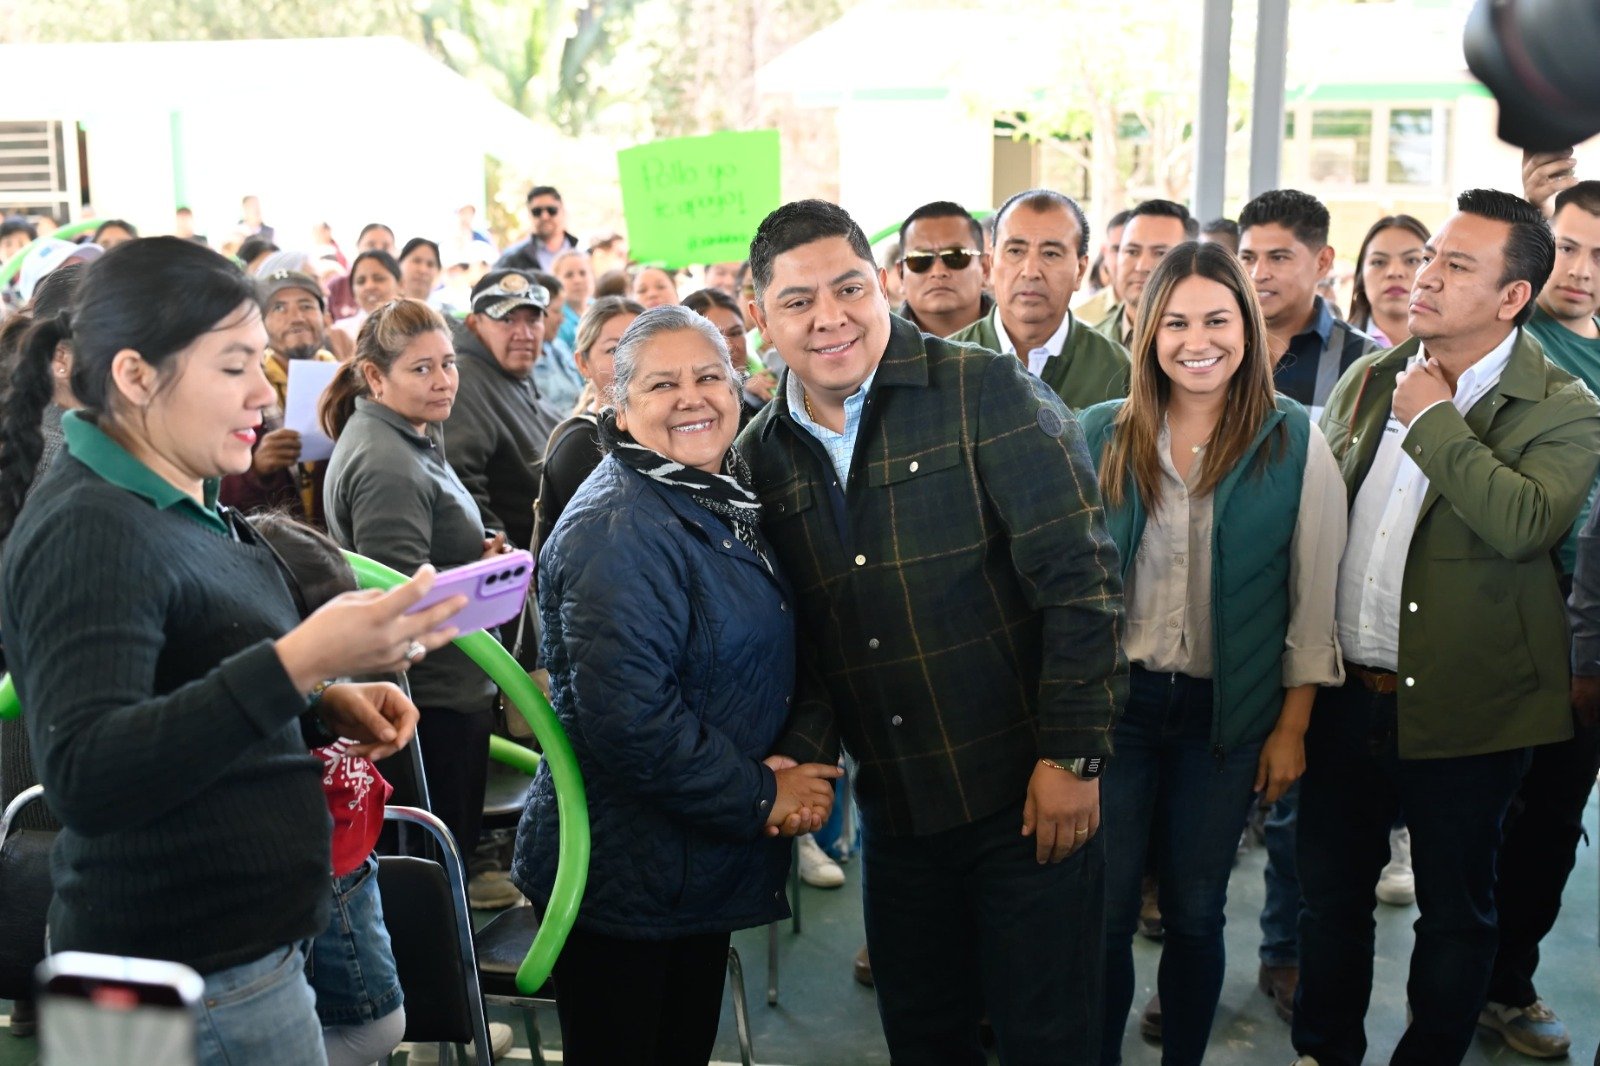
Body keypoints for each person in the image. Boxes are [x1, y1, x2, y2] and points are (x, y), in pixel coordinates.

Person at [0, 237, 462, 1066]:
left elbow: (185, 671)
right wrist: (298, 663)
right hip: (185, 971)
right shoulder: (88, 529)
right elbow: (87, 775)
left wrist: (319, 702)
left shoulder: (181, 496)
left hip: (235, 958)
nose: (263, 391)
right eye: (233, 366)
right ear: (136, 377)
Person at [737, 199, 1126, 1063]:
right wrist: (804, 752)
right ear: (760, 318)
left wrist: (1073, 757)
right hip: (898, 813)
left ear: (882, 286)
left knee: (1049, 1037)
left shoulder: (983, 388)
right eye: (798, 302)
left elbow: (1082, 583)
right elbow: (806, 638)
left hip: (1026, 797)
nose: (829, 317)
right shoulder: (759, 456)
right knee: (925, 1035)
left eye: (848, 288)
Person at [1293, 189, 1600, 1066]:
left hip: (1476, 707)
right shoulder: (1370, 376)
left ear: (1513, 298)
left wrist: (1432, 419)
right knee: (1332, 901)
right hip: (1349, 695)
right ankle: (1323, 1050)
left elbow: (1524, 522)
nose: (1423, 276)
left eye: (1455, 265)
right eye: (1431, 256)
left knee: (1458, 914)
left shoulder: (1565, 408)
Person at [512, 304, 841, 1064]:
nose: (692, 398)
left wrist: (792, 754)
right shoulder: (617, 527)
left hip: (690, 856)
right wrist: (763, 794)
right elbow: (631, 722)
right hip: (625, 874)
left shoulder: (715, 492)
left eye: (708, 376)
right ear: (619, 407)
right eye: (663, 385)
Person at [1077, 241, 1346, 1065]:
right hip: (1117, 712)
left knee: (1195, 912)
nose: (1199, 340)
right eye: (1177, 321)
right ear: (1147, 329)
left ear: (1249, 327)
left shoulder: (1297, 440)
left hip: (1224, 719)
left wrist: (1291, 727)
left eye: (1218, 319)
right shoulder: (1098, 434)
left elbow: (1313, 602)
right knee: (1107, 913)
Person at [321, 297, 519, 912]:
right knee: (432, 880)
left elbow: (420, 568)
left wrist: (473, 563)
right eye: (421, 369)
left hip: (443, 693)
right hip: (428, 704)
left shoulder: (409, 437)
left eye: (449, 363)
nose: (443, 381)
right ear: (375, 377)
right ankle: (443, 1005)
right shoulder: (388, 464)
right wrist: (479, 583)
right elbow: (399, 609)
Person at [1473, 174, 1600, 1060]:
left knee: (1554, 814)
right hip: (1511, 607)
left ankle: (1505, 981)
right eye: (1575, 247)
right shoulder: (1503, 347)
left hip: (1590, 626)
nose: (1586, 271)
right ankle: (1462, 975)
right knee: (1482, 807)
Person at [245, 515, 408, 1066]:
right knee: (375, 1029)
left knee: (376, 1026)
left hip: (352, 872)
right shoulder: (260, 709)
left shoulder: (328, 692)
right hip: (321, 880)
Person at [949, 188, 1131, 410]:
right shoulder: (946, 363)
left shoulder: (1120, 371)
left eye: (1050, 254)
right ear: (990, 265)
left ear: (1080, 271)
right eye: (1015, 251)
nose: (1031, 271)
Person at [447, 269, 564, 551]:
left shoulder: (515, 374)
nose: (523, 333)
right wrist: (510, 560)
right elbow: (461, 489)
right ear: (474, 324)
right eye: (507, 319)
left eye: (533, 319)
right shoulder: (463, 381)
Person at [218, 270, 339, 527]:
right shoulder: (239, 390)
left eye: (306, 306)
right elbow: (218, 489)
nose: (295, 317)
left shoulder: (348, 381)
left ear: (326, 318)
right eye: (279, 308)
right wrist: (257, 468)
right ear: (260, 326)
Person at [532, 296, 644, 551]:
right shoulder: (581, 442)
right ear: (583, 363)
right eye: (614, 350)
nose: (630, 360)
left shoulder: (659, 431)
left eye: (640, 345)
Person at [1098, 200, 1198, 348]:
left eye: (1160, 253)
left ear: (1192, 261)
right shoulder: (1087, 346)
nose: (1142, 266)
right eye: (1132, 252)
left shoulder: (1204, 345)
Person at [893, 201, 993, 337]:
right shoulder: (874, 348)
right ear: (901, 274)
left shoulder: (1023, 337)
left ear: (985, 269)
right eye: (920, 259)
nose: (938, 272)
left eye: (956, 256)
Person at [682, 286, 776, 420]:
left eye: (736, 333)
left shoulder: (768, 382)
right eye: (715, 336)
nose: (729, 346)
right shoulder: (687, 407)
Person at [1346, 215, 1431, 349]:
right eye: (1379, 262)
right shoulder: (1335, 348)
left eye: (1412, 260)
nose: (1394, 272)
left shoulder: (1461, 351)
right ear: (1360, 276)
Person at [497, 186, 581, 274]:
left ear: (563, 211)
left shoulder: (584, 256)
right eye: (537, 211)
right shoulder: (511, 260)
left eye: (551, 210)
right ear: (529, 215)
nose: (544, 217)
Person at [333, 250, 402, 348]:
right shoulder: (341, 332)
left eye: (379, 278)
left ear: (400, 284)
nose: (369, 286)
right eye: (361, 281)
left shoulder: (417, 329)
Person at [1074, 208, 1131, 325]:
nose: (1124, 259)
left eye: (1132, 251)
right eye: (1117, 249)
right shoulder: (1081, 318)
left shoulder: (1172, 311)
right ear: (1105, 252)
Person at [551, 249, 594, 351]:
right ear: (556, 281)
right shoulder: (556, 318)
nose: (577, 280)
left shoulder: (601, 308)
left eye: (583, 273)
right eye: (569, 275)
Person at [397, 237, 446, 308]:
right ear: (400, 263)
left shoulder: (445, 314)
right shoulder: (383, 312)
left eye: (430, 264)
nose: (423, 270)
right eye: (417, 261)